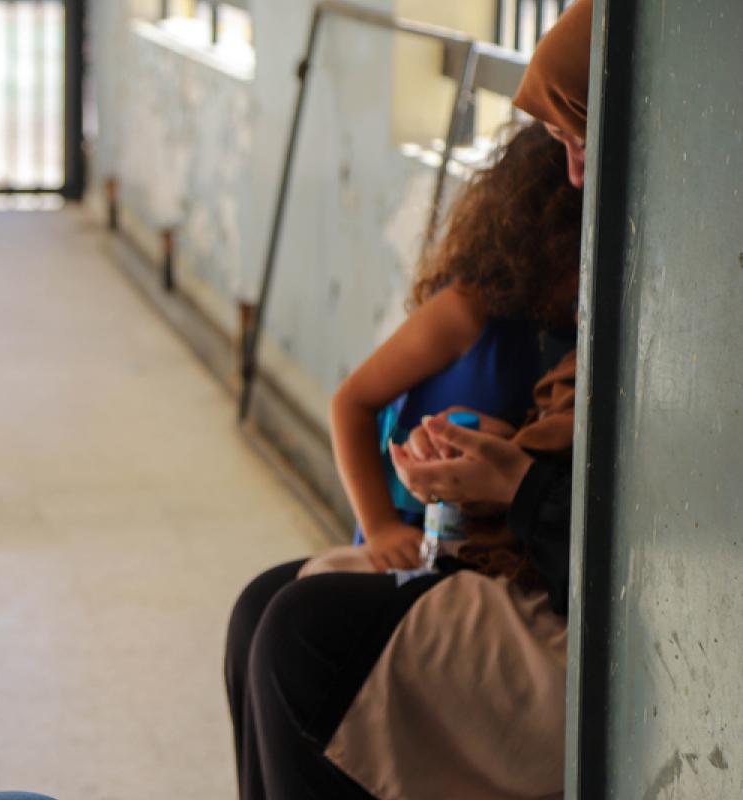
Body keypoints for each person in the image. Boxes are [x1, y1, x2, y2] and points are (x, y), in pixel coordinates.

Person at [223, 1, 593, 797]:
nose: (577, 173)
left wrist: (514, 480)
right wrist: (389, 519)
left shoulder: (592, 314)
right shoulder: (484, 309)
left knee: (299, 633)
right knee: (264, 606)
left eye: (582, 143)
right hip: (447, 529)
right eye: (563, 146)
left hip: (511, 556)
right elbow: (353, 402)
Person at [330, 122, 580, 572]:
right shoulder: (467, 310)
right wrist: (382, 528)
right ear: (543, 238)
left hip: (483, 541)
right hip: (411, 529)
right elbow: (351, 403)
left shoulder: (570, 332)